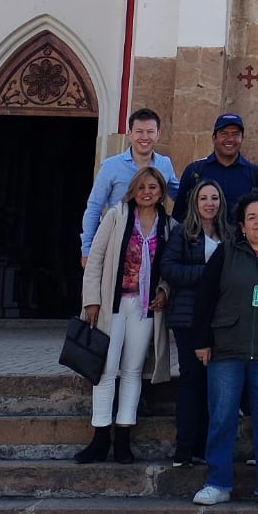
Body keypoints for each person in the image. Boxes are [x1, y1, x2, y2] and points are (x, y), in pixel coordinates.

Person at [191, 190, 258, 508]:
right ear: (242, 225)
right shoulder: (225, 253)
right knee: (222, 417)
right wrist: (201, 341)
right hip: (227, 348)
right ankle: (217, 483)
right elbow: (205, 297)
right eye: (251, 217)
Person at [75, 165, 174, 465]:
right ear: (133, 189)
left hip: (144, 309)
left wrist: (164, 292)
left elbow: (170, 265)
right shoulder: (116, 216)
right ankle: (100, 437)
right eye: (142, 187)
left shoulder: (168, 225)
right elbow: (96, 259)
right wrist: (91, 300)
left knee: (132, 371)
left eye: (153, 188)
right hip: (111, 305)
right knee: (105, 368)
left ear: (160, 193)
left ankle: (123, 439)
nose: (147, 192)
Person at [155, 177, 228, 467]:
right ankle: (184, 448)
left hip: (220, 319)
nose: (209, 203)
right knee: (191, 382)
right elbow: (169, 268)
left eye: (214, 198)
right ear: (195, 203)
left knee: (214, 385)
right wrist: (206, 274)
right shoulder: (183, 233)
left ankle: (204, 447)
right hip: (188, 317)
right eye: (203, 198)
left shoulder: (230, 234)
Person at [79, 108, 178, 264]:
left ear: (158, 134)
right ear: (129, 134)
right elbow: (94, 207)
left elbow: (179, 196)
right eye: (139, 131)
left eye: (150, 132)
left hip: (152, 245)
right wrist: (87, 249)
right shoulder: (110, 166)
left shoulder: (164, 164)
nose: (144, 137)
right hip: (116, 243)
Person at [174, 113, 258, 223]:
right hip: (201, 239)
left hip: (241, 240)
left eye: (235, 134)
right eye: (224, 134)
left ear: (242, 138)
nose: (230, 139)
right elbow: (179, 216)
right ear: (214, 138)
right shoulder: (194, 171)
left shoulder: (256, 174)